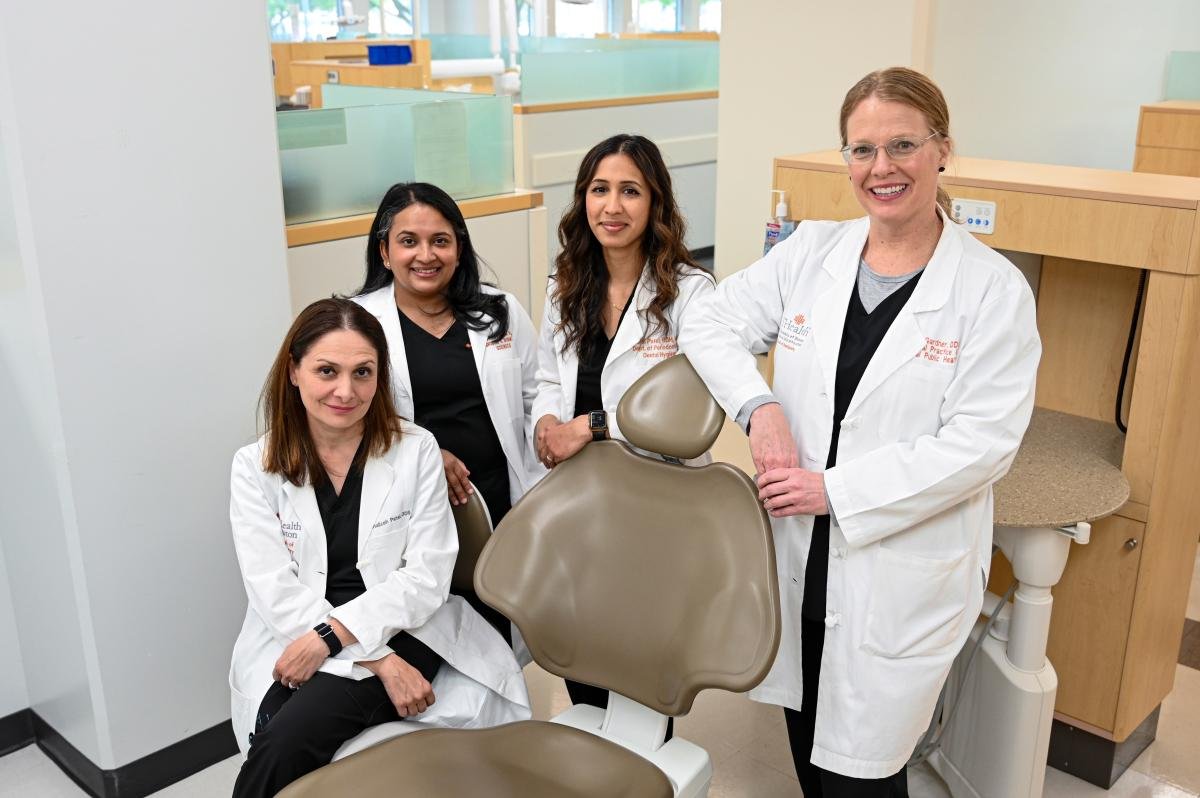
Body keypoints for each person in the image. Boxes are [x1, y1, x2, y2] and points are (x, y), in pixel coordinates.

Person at [680, 67, 1040, 795]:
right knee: (810, 751)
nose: (881, 168)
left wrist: (833, 491)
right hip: (797, 559)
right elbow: (707, 319)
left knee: (866, 776)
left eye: (902, 144)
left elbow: (981, 444)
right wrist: (760, 406)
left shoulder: (991, 291)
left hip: (897, 571)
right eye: (860, 149)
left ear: (943, 149)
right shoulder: (813, 250)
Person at [228, 298, 529, 797]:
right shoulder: (254, 466)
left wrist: (335, 638)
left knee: (285, 741)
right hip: (299, 627)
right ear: (294, 372)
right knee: (279, 727)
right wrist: (378, 663)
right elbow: (271, 587)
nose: (345, 391)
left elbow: (426, 576)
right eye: (327, 371)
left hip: (406, 624)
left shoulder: (416, 450)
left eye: (362, 373)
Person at [531, 133, 716, 713]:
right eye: (599, 189)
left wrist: (590, 425)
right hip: (577, 502)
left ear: (655, 203)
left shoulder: (691, 294)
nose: (612, 207)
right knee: (577, 653)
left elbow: (690, 411)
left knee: (641, 667)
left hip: (653, 504)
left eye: (630, 191)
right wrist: (546, 422)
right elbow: (542, 379)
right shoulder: (564, 287)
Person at [353, 182, 543, 642]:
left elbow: (537, 394)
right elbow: (343, 418)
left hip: (501, 496)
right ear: (384, 251)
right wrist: (421, 450)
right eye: (408, 241)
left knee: (498, 623)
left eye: (440, 241)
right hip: (412, 505)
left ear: (459, 247)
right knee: (429, 629)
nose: (426, 255)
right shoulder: (357, 322)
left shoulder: (499, 310)